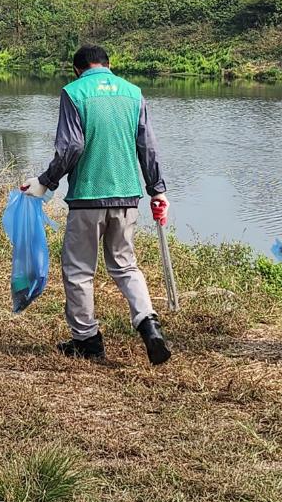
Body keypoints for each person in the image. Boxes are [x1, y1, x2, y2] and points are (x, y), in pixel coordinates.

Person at [22, 45, 171, 365]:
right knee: (125, 265)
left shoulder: (74, 92)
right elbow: (148, 146)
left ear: (76, 69)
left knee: (78, 269)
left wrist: (46, 180)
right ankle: (149, 324)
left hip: (88, 197)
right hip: (127, 196)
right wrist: (157, 190)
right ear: (109, 65)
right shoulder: (133, 93)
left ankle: (87, 340)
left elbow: (72, 146)